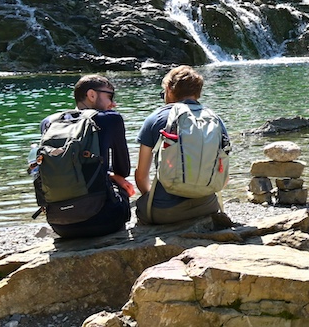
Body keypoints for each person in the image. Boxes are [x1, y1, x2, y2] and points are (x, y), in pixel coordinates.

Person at [35, 75, 132, 237]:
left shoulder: (49, 123)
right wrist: (114, 176)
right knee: (122, 186)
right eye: (110, 96)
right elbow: (123, 170)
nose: (113, 103)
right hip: (105, 221)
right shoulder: (111, 119)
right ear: (92, 95)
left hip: (60, 225)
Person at [134, 65, 231, 225]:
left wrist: (152, 197)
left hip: (165, 212)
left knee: (140, 207)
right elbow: (224, 176)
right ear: (198, 92)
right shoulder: (214, 119)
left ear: (169, 89)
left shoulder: (155, 119)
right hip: (208, 206)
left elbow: (141, 176)